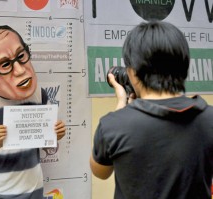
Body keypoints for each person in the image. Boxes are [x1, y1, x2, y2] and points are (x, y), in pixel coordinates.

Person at [90, 20, 213, 199]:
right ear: (185, 66)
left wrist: (121, 105)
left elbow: (100, 171)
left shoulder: (113, 125)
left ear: (131, 72)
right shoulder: (209, 118)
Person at [0, 25, 66, 199]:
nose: (20, 70)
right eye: (5, 65)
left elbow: (45, 142)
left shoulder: (39, 95)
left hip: (34, 191)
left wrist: (55, 135)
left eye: (21, 56)